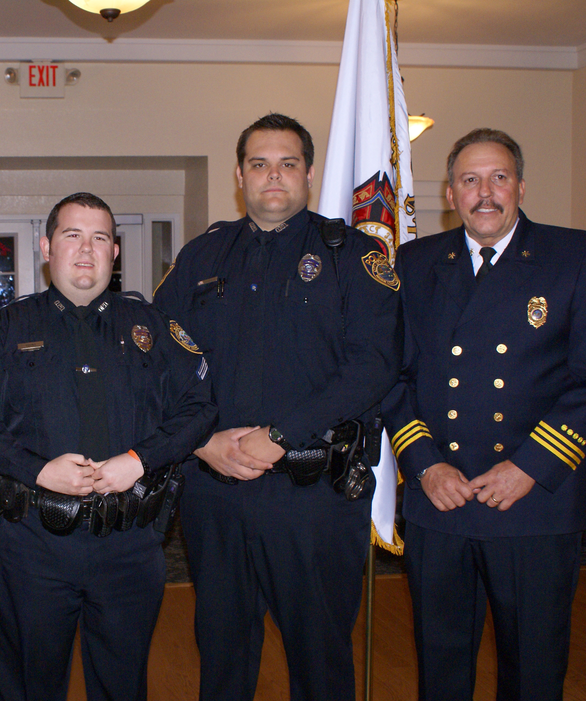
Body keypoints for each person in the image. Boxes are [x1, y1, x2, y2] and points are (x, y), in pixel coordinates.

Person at [154, 113, 402, 701]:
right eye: (259, 164)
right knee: (222, 654)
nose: (273, 175)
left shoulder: (353, 256)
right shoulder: (202, 255)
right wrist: (200, 441)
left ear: (309, 174)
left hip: (312, 498)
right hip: (216, 494)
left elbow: (373, 367)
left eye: (288, 164)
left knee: (320, 660)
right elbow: (161, 362)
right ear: (240, 176)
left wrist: (281, 435)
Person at [0, 192, 217, 701]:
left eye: (99, 238)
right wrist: (36, 470)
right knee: (29, 685)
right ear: (46, 247)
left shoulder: (154, 327)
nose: (85, 249)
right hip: (33, 545)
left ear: (114, 252)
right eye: (72, 235)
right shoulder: (6, 328)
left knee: (122, 685)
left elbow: (201, 406)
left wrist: (140, 460)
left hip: (130, 546)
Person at [383, 128, 586, 700]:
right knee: (441, 667)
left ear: (521, 187)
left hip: (534, 503)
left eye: (499, 178)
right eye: (470, 180)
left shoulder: (577, 256)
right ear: (450, 193)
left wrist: (529, 466)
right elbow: (394, 376)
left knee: (533, 670)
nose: (485, 192)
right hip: (442, 500)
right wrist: (425, 465)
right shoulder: (416, 262)